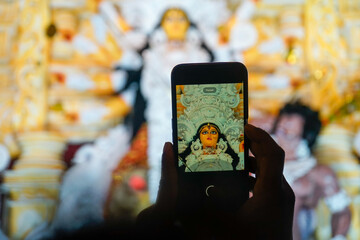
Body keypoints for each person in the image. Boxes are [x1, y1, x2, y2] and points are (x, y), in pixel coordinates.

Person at [137, 124, 295, 239]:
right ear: (198, 136)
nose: (209, 134)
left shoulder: (229, 159)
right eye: (205, 132)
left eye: (213, 131)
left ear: (219, 136)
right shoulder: (190, 160)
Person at [271, 102, 351, 240]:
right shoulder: (255, 153)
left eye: (289, 126)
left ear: (306, 134)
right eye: (283, 120)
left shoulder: (318, 174)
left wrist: (338, 238)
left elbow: (342, 211)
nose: (285, 123)